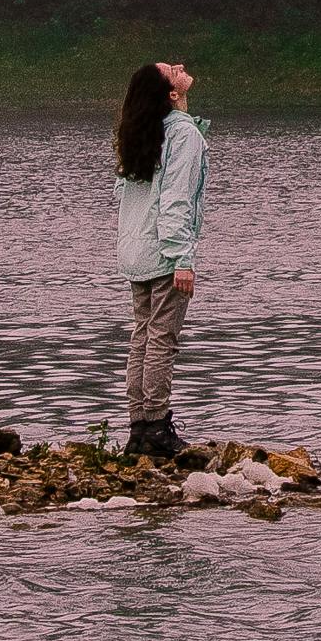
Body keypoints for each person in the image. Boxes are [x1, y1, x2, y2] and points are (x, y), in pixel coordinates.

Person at [112, 59, 208, 460]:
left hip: (136, 252)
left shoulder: (142, 133)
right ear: (172, 93)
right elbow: (175, 202)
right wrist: (182, 259)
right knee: (161, 340)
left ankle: (139, 427)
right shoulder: (183, 135)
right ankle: (155, 426)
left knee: (143, 337)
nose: (181, 66)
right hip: (164, 253)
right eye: (172, 70)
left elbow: (128, 198)